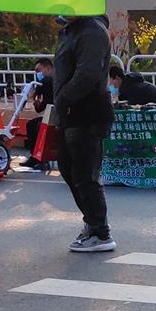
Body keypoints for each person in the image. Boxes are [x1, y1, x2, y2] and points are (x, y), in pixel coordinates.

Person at [53, 16, 116, 253]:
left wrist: (63, 98)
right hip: (72, 112)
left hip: (86, 111)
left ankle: (100, 231)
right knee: (70, 169)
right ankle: (93, 224)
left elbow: (87, 74)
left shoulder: (90, 31)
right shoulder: (72, 31)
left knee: (84, 173)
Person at [19, 57, 54, 165]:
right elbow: (41, 107)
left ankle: (37, 157)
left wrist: (38, 103)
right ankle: (36, 157)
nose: (38, 74)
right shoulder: (47, 81)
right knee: (33, 124)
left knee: (34, 125)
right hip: (52, 113)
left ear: (48, 68)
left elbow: (45, 104)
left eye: (39, 71)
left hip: (56, 114)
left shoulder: (47, 81)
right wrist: (37, 104)